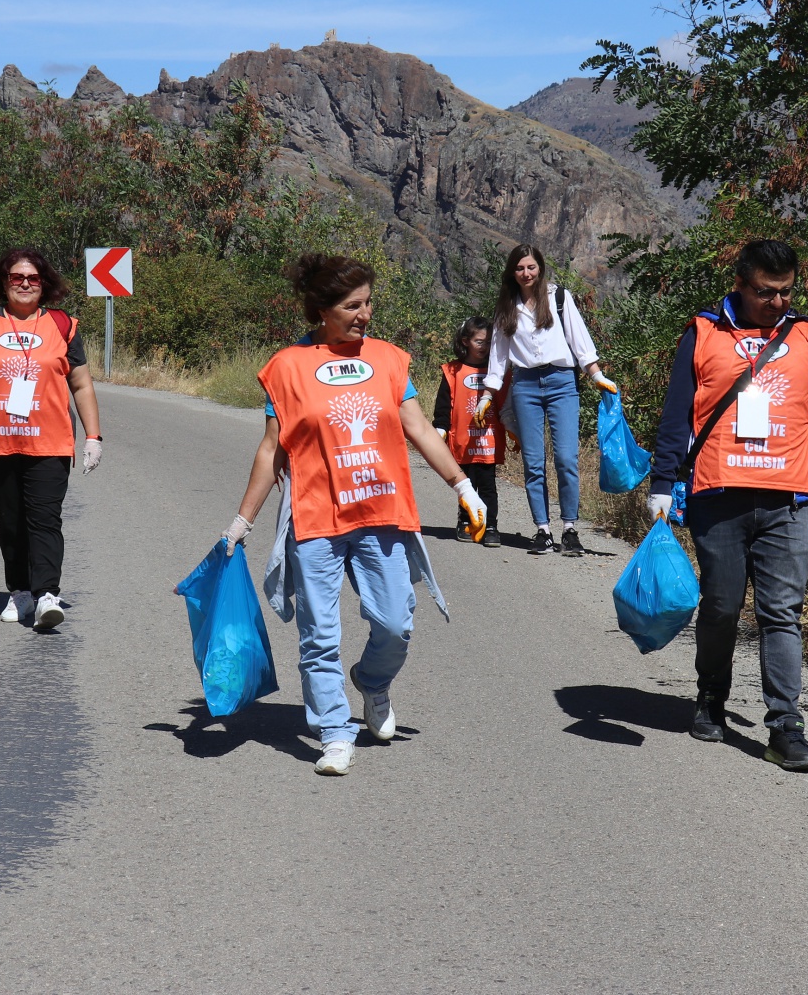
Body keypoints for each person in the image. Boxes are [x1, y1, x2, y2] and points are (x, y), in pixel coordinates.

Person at [225, 253, 487, 777]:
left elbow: (418, 428)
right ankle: (334, 732)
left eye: (368, 303)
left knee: (395, 622)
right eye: (352, 306)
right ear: (322, 310)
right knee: (319, 634)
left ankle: (372, 681)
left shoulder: (388, 360)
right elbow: (272, 448)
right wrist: (243, 520)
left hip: (382, 510)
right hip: (316, 516)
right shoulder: (288, 367)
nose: (364, 314)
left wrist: (463, 485)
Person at [647, 239, 808, 772]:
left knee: (782, 612)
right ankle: (711, 694)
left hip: (788, 500)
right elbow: (676, 414)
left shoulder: (807, 336)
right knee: (720, 606)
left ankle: (786, 726)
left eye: (786, 292)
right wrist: (662, 482)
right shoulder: (703, 332)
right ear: (739, 283)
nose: (777, 302)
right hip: (719, 494)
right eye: (765, 292)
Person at [0, 248, 103, 631]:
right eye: (17, 277)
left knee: (45, 518)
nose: (25, 284)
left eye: (33, 278)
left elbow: (81, 385)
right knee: (10, 521)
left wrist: (93, 436)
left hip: (50, 442)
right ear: (4, 282)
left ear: (44, 284)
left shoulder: (62, 325)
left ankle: (47, 594)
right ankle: (20, 592)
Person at [476, 245, 617, 558]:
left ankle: (569, 528)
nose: (526, 273)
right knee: (533, 462)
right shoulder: (506, 307)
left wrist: (597, 375)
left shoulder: (558, 297)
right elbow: (499, 358)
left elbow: (580, 342)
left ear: (540, 268)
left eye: (531, 267)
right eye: (520, 268)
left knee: (566, 458)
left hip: (561, 382)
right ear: (512, 272)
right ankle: (542, 529)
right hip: (525, 385)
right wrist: (487, 395)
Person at [433, 316, 505, 547]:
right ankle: (466, 521)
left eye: (489, 342)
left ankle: (490, 526)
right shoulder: (452, 371)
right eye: (479, 341)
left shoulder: (497, 372)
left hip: (488, 441)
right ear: (465, 341)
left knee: (488, 486)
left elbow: (505, 404)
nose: (484, 347)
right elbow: (443, 406)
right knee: (467, 484)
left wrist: (513, 427)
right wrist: (440, 430)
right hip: (462, 441)